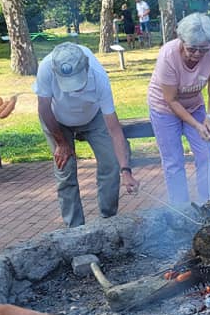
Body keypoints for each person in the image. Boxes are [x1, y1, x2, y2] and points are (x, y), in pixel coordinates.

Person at [34, 42, 139, 227]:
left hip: (93, 115)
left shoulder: (99, 77)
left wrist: (126, 170)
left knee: (111, 162)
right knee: (65, 170)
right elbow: (44, 108)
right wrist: (61, 143)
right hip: (56, 118)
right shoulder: (46, 68)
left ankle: (108, 221)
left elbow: (114, 130)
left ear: (86, 66)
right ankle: (75, 229)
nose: (74, 89)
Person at [147, 13, 210, 205]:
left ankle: (208, 205)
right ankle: (180, 208)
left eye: (203, 49)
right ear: (181, 40)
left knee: (206, 154)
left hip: (194, 104)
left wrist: (209, 117)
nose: (197, 54)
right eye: (192, 49)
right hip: (164, 108)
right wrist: (197, 125)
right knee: (174, 161)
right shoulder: (168, 55)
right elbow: (171, 100)